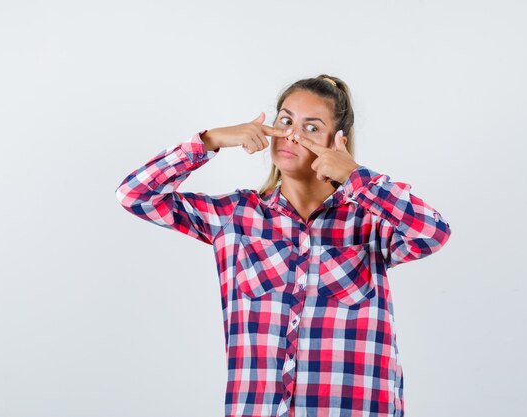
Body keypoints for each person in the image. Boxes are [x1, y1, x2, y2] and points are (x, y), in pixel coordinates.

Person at [115, 74, 452, 417]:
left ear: (339, 143)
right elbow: (135, 196)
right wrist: (210, 140)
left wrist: (355, 176)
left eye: (311, 128)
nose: (291, 134)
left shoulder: (369, 221)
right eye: (286, 121)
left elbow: (433, 233)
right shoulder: (236, 217)